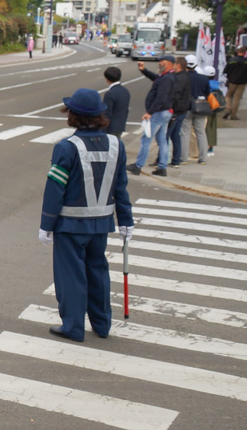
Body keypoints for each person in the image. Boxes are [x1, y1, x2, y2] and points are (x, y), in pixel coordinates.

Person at [40, 88, 134, 342]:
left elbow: (55, 189)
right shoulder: (116, 145)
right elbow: (121, 186)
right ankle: (102, 324)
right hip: (101, 223)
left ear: (72, 115)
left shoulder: (67, 147)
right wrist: (126, 220)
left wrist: (46, 223)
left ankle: (73, 326)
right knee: (98, 271)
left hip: (69, 225)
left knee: (71, 275)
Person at [129, 56, 177, 176]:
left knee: (146, 139)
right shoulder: (167, 76)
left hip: (159, 112)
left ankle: (138, 166)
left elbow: (161, 98)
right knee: (162, 140)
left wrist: (150, 112)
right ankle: (162, 167)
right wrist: (144, 70)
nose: (159, 63)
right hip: (166, 112)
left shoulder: (167, 78)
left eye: (162, 61)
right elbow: (156, 78)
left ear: (169, 63)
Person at [183, 56, 214, 164]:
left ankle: (183, 158)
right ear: (196, 64)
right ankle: (203, 158)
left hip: (186, 107)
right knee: (201, 132)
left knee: (185, 132)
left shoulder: (183, 77)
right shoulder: (203, 78)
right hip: (201, 107)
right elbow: (207, 92)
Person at [223, 45, 247, 120]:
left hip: (232, 81)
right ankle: (233, 115)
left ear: (237, 51)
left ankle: (227, 109)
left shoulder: (232, 60)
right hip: (242, 81)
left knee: (228, 96)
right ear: (245, 52)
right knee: (237, 98)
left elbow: (225, 70)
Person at [102, 65, 130, 137]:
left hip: (110, 128)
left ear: (107, 79)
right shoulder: (125, 91)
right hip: (120, 126)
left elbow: (107, 113)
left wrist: (102, 130)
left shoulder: (110, 94)